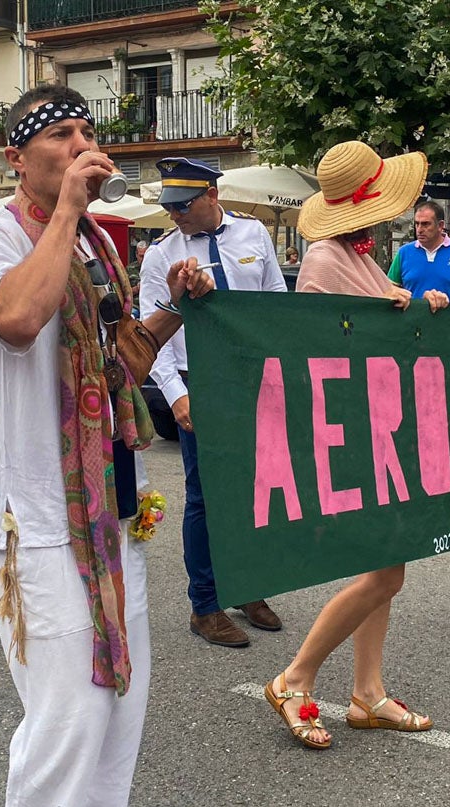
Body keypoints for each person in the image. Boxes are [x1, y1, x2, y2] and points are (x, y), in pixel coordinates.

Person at [0, 82, 205, 807]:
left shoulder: (99, 247)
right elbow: (20, 321)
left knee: (122, 691)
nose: (80, 143)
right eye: (59, 134)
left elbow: (116, 364)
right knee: (66, 700)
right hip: (35, 504)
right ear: (17, 158)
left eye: (85, 131)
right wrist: (67, 209)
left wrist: (172, 311)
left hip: (109, 499)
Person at [262, 141, 442, 750]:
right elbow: (319, 347)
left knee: (386, 567)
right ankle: (295, 676)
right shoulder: (323, 261)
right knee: (385, 571)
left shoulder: (356, 256)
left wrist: (418, 306)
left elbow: (376, 329)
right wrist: (388, 313)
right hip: (354, 433)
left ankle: (367, 691)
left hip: (379, 427)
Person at [140, 155, 289, 648]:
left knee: (255, 490)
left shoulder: (253, 235)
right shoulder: (161, 254)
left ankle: (247, 586)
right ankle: (205, 605)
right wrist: (177, 396)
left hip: (250, 379)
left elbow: (273, 304)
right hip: (196, 379)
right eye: (170, 207)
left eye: (185, 205)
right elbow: (147, 335)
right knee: (204, 497)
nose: (176, 215)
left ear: (212, 196)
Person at [386, 199, 450, 302]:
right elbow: (390, 288)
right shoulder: (404, 252)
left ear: (440, 226)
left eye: (425, 224)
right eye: (417, 224)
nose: (419, 229)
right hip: (412, 317)